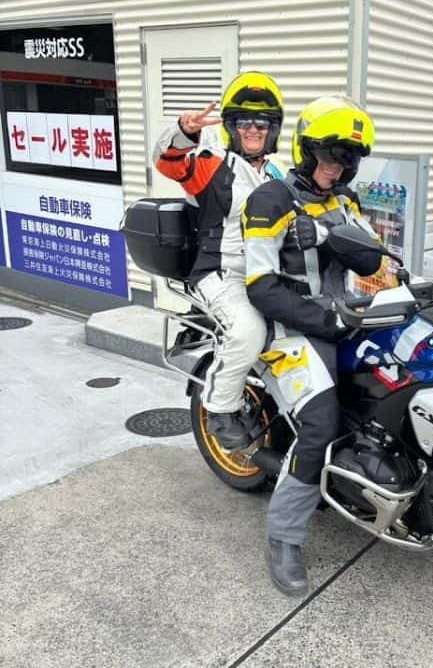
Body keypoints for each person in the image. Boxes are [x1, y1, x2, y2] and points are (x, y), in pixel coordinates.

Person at [241, 95, 374, 595]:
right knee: (320, 424)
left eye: (348, 157)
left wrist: (329, 235)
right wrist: (324, 320)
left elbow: (371, 261)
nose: (337, 165)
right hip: (289, 329)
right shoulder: (271, 200)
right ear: (306, 148)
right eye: (330, 153)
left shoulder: (346, 202)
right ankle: (284, 536)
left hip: (344, 320)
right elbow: (261, 285)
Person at [154, 72, 285, 450]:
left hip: (267, 273)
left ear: (273, 130)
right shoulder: (212, 163)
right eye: (244, 122)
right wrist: (183, 131)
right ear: (231, 127)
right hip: (220, 272)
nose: (253, 130)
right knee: (247, 331)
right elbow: (168, 162)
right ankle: (219, 407)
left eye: (262, 123)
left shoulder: (275, 174)